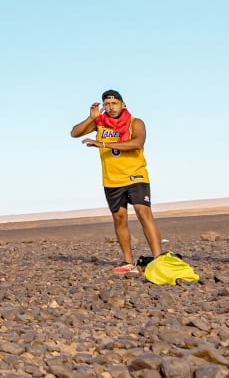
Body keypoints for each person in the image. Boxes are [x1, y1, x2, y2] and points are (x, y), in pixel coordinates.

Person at [69, 90, 168, 275]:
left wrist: (104, 145)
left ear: (123, 104)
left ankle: (158, 259)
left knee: (142, 211)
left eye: (114, 103)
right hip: (112, 179)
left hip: (135, 175)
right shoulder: (100, 124)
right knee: (119, 218)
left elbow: (137, 143)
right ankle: (128, 263)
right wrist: (91, 118)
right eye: (107, 104)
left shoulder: (135, 123)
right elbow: (75, 133)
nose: (110, 107)